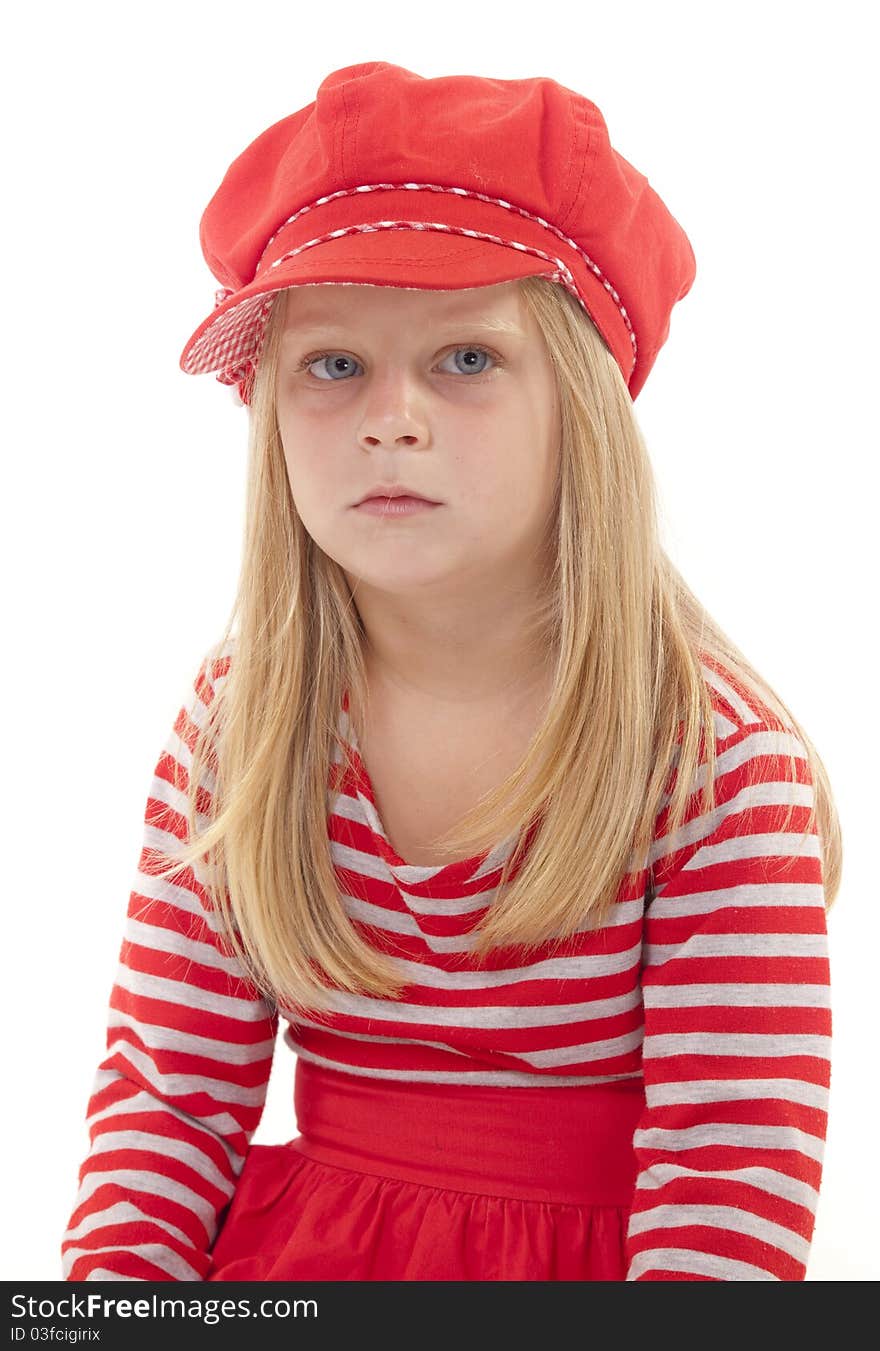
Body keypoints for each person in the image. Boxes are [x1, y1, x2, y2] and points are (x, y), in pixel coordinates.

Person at [60, 60, 840, 1283]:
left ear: (579, 408)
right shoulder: (244, 723)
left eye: (467, 359)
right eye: (333, 365)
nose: (393, 417)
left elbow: (729, 1170)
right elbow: (165, 1106)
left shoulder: (711, 760)